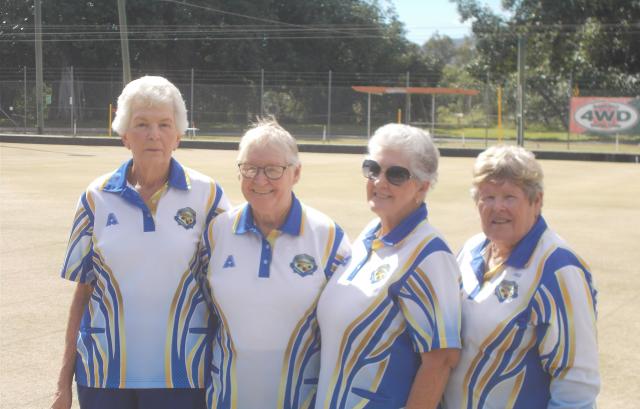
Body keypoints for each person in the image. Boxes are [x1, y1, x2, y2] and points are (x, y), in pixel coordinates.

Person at [51, 76, 231, 409]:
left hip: (184, 376)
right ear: (124, 135)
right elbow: (83, 293)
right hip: (103, 376)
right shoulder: (95, 197)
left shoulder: (209, 197)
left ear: (178, 135)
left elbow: (227, 291)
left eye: (165, 124)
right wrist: (62, 384)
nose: (154, 134)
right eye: (142, 124)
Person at [198, 119, 351, 409]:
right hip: (227, 399)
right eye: (250, 168)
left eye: (272, 170)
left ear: (296, 173)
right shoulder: (216, 233)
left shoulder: (329, 237)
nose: (259, 180)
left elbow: (342, 330)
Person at [314, 123, 462, 409]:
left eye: (396, 174)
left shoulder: (430, 254)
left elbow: (442, 359)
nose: (380, 181)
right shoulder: (370, 234)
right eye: (373, 169)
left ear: (422, 186)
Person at [442, 145, 600, 409]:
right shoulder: (471, 250)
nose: (497, 207)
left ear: (536, 201)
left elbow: (577, 383)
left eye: (509, 197)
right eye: (488, 196)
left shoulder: (559, 268)